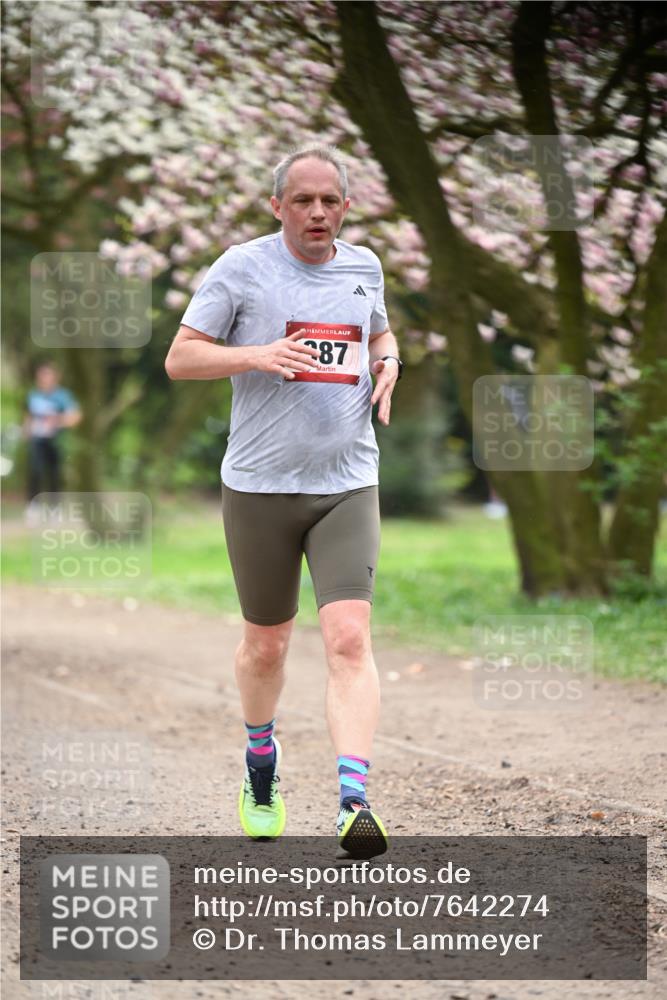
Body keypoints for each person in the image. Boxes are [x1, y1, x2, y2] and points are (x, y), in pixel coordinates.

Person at [165, 144, 402, 859]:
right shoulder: (241, 268)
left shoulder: (365, 267)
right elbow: (180, 357)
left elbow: (378, 330)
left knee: (348, 639)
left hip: (347, 484)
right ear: (277, 207)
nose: (318, 212)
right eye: (302, 200)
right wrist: (254, 354)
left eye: (330, 200)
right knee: (266, 646)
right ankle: (260, 766)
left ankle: (353, 802)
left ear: (346, 207)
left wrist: (388, 359)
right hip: (261, 489)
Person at [24, 362, 81, 509]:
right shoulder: (33, 394)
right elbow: (29, 415)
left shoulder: (63, 396)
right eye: (41, 376)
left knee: (54, 474)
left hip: (56, 441)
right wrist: (27, 430)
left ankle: (55, 508)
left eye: (46, 375)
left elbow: (75, 417)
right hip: (37, 440)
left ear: (54, 377)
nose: (43, 379)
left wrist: (57, 420)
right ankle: (33, 506)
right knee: (35, 471)